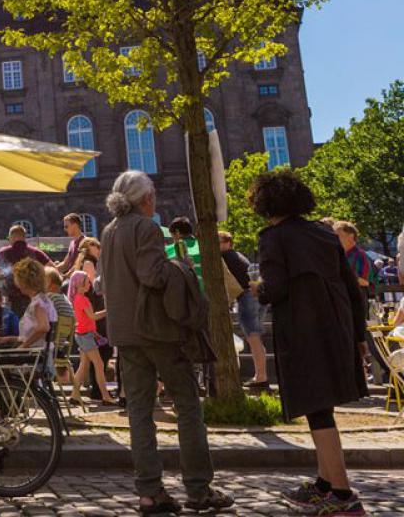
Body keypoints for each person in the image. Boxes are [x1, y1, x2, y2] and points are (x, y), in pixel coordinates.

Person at [101, 170, 232, 514]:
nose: (155, 198)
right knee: (188, 406)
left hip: (126, 334)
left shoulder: (109, 230)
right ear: (145, 198)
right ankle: (199, 489)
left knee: (139, 413)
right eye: (153, 194)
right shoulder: (145, 227)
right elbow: (153, 275)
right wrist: (180, 265)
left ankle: (149, 492)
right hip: (156, 332)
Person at [252, 171, 368, 516]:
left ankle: (343, 495)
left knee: (318, 412)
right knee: (324, 407)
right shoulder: (323, 233)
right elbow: (351, 287)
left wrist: (256, 288)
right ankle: (323, 483)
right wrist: (359, 335)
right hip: (337, 326)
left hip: (304, 331)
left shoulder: (274, 238)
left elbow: (276, 289)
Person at [218, 231, 268, 389]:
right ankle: (260, 375)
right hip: (256, 295)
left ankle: (261, 378)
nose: (216, 244)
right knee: (256, 338)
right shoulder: (238, 255)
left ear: (228, 243)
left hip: (247, 296)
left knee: (253, 337)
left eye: (218, 241)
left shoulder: (226, 257)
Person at [69, 269, 116, 405]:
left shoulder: (79, 299)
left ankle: (74, 394)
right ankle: (106, 397)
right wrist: (109, 310)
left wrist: (94, 332)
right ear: (79, 284)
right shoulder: (82, 299)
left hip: (84, 335)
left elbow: (86, 320)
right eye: (87, 282)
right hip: (85, 336)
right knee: (99, 364)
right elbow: (93, 316)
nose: (89, 285)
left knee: (84, 366)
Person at [0, 258, 57, 358]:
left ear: (23, 283)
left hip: (34, 356)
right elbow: (34, 335)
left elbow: (44, 327)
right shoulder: (44, 300)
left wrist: (24, 346)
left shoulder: (38, 303)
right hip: (40, 354)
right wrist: (9, 339)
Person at [0, 224, 50, 315]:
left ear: (12, 237)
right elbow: (52, 269)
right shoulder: (35, 252)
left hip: (12, 298)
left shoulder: (3, 253)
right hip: (33, 297)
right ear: (24, 237)